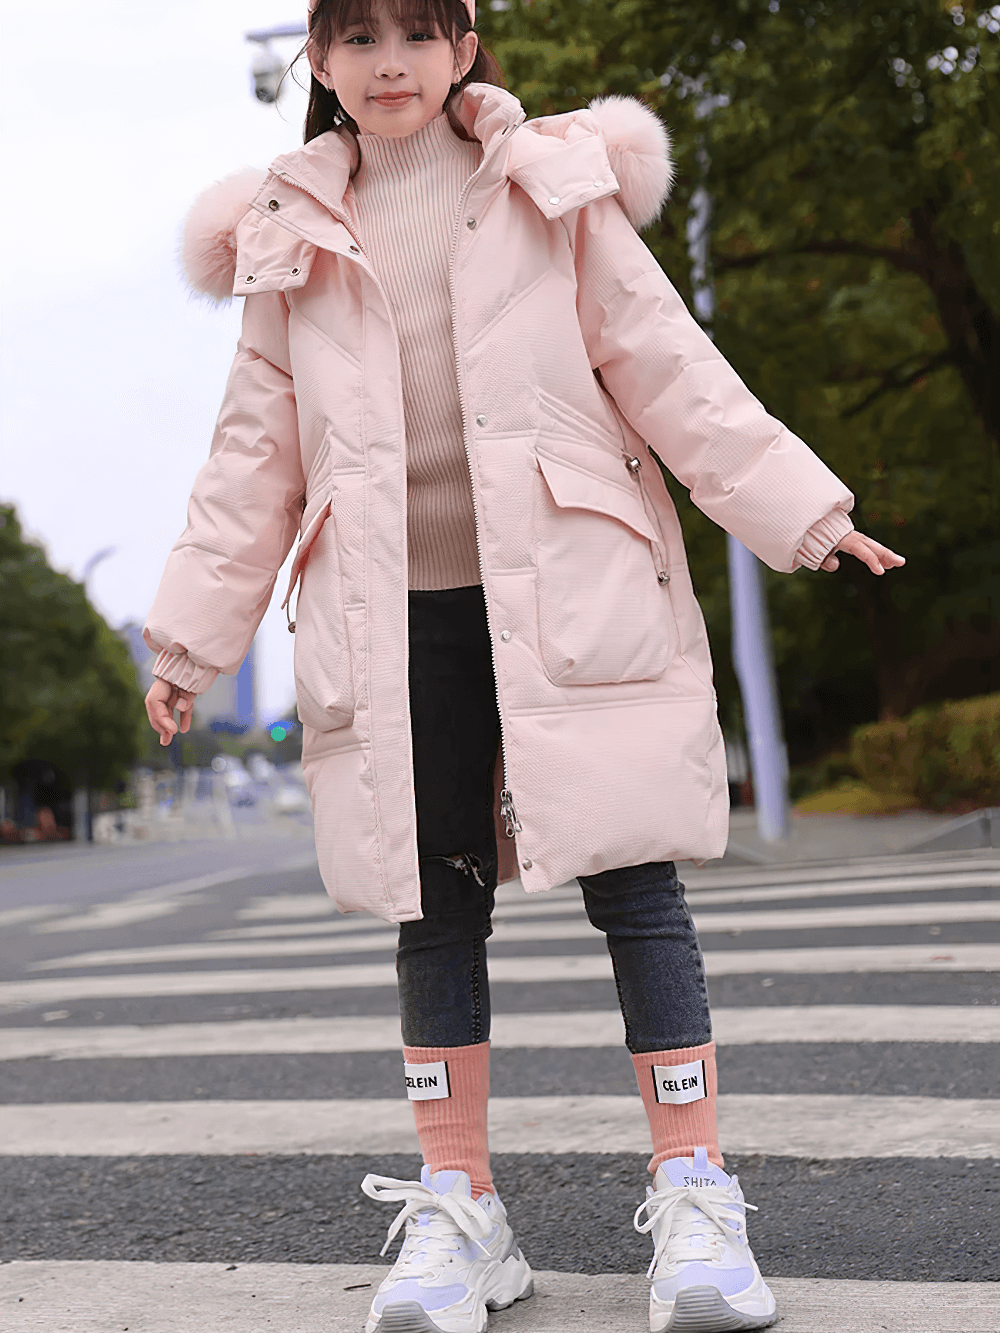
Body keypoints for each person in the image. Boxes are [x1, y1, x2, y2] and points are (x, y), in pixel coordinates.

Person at [143, 1, 904, 1329]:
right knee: (429, 910)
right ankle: (461, 1212)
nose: (392, 63)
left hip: (574, 587)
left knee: (639, 891)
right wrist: (191, 640)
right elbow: (252, 459)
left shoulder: (550, 183)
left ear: (465, 47)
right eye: (361, 37)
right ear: (317, 62)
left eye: (420, 34)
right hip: (395, 615)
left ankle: (695, 1194)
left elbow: (662, 358)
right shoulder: (287, 233)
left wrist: (803, 508)